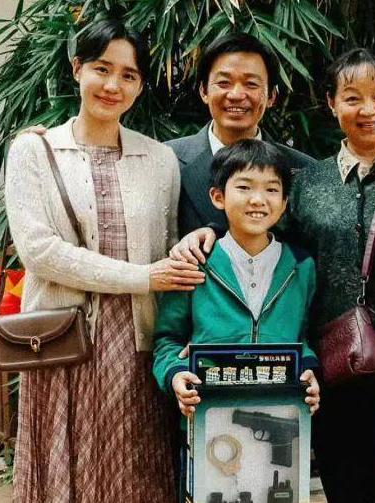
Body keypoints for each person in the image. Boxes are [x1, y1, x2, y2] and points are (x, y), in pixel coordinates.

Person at [170, 48, 375, 503]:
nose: (367, 109)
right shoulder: (305, 181)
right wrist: (209, 233)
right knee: (344, 485)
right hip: (330, 370)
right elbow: (257, 238)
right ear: (332, 104)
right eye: (352, 97)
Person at [4, 19, 202, 503]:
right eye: (101, 68)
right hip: (60, 343)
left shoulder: (159, 159)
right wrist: (144, 277)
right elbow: (40, 252)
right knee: (64, 474)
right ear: (77, 69)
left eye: (129, 75)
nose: (113, 85)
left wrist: (193, 246)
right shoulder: (33, 151)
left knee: (135, 474)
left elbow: (168, 248)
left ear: (141, 85)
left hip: (136, 346)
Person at [152, 139, 322, 497]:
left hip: (282, 418)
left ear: (284, 203)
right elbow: (167, 339)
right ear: (218, 197)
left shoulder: (301, 266)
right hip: (209, 420)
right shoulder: (194, 264)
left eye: (271, 190)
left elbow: (303, 337)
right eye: (244, 187)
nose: (258, 200)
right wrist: (175, 374)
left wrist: (308, 370)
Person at [166, 32, 317, 238]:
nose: (236, 95)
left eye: (251, 84)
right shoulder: (165, 160)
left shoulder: (305, 172)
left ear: (272, 96)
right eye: (224, 83)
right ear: (203, 91)